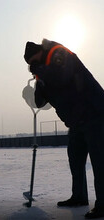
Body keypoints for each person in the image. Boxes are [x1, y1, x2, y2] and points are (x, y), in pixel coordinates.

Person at [24, 39, 104, 219]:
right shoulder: (43, 71)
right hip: (77, 122)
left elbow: (62, 76)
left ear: (38, 53)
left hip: (95, 114)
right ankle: (79, 197)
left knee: (100, 162)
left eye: (33, 61)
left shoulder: (58, 52)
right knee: (75, 160)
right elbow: (40, 102)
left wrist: (40, 71)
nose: (32, 65)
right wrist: (35, 89)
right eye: (30, 65)